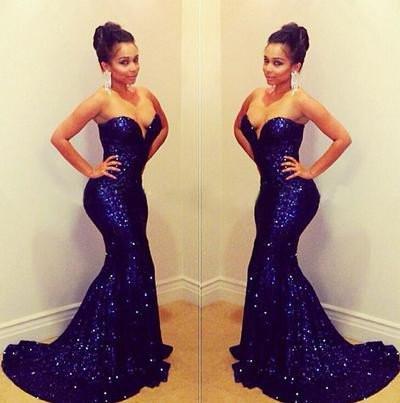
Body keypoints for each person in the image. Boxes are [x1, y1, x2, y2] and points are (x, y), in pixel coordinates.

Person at [1, 21, 173, 402]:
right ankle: (101, 348)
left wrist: (140, 160)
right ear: (105, 66)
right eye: (124, 62)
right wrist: (92, 170)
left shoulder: (146, 95)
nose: (133, 67)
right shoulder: (100, 101)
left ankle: (133, 348)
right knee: (126, 263)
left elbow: (163, 127)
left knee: (138, 265)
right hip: (106, 195)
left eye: (136, 59)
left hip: (134, 194)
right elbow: (59, 136)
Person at [229, 22, 400, 402]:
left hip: (295, 196)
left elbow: (342, 137)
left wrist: (309, 171)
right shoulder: (255, 96)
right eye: (265, 60)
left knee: (276, 265)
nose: (268, 68)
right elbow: (239, 128)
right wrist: (261, 162)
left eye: (277, 63)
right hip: (268, 195)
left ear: (296, 66)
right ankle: (268, 350)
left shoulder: (301, 101)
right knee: (263, 266)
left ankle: (297, 350)